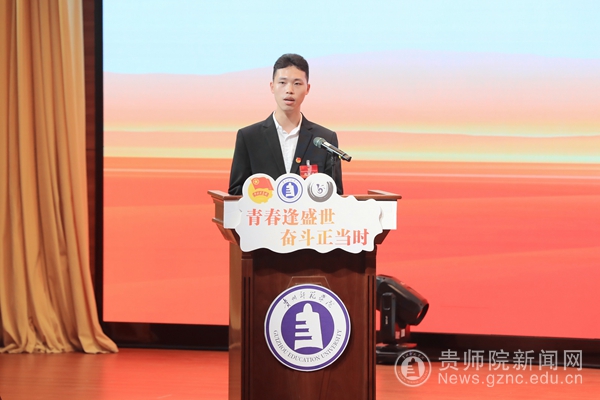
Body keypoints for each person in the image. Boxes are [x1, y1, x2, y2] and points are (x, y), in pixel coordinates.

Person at [228, 53, 344, 195]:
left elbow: (335, 195)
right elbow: (236, 192)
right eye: (282, 83)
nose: (289, 90)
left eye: (297, 83)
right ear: (272, 87)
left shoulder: (324, 139)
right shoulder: (249, 137)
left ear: (307, 88)